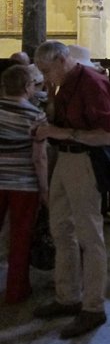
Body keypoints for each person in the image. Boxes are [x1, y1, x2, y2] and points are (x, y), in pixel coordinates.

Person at [32, 41, 110, 339]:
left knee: (89, 236)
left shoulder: (92, 83)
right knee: (61, 230)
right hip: (65, 159)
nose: (45, 77)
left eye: (46, 70)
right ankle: (67, 296)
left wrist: (59, 132)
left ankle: (94, 307)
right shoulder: (63, 83)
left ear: (62, 60)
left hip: (83, 162)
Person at [0, 65, 48, 304]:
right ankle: (16, 290)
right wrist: (44, 187)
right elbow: (39, 157)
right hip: (24, 183)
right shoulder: (35, 115)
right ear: (28, 87)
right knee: (20, 237)